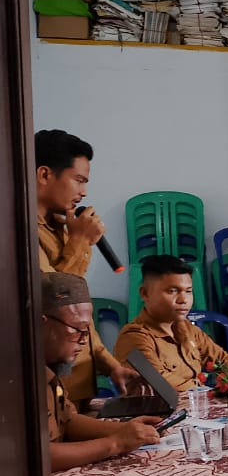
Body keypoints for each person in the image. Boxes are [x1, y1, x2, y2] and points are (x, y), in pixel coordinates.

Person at [34, 128, 139, 404]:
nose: (84, 192)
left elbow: (81, 316)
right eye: (78, 180)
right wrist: (80, 241)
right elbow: (58, 305)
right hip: (53, 385)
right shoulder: (22, 235)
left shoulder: (63, 228)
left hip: (81, 383)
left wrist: (110, 365)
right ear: (44, 175)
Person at [40, 272, 161, 471]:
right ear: (41, 324)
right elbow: (41, 455)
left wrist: (128, 429)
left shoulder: (49, 372)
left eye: (87, 331)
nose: (84, 340)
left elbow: (67, 420)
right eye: (77, 329)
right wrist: (115, 443)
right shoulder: (16, 381)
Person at [112, 255, 228, 391]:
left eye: (188, 291)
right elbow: (159, 384)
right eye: (172, 291)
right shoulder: (134, 337)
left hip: (194, 406)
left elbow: (223, 359)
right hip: (159, 411)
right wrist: (203, 391)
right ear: (145, 293)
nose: (183, 300)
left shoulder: (187, 328)